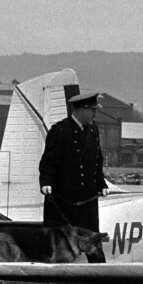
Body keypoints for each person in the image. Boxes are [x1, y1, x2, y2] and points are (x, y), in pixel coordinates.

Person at [39, 92, 109, 240]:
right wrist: (45, 182)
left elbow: (97, 161)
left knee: (93, 242)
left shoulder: (93, 130)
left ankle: (97, 264)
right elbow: (48, 162)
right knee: (61, 242)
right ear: (82, 110)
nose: (95, 114)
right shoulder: (60, 131)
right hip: (65, 200)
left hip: (87, 200)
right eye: (93, 110)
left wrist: (101, 183)